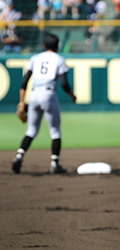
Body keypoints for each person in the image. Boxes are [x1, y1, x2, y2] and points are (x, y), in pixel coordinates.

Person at [11, 33, 77, 174]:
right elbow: (64, 84)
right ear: (57, 46)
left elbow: (24, 82)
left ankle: (19, 156)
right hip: (49, 95)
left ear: (44, 46)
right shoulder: (60, 59)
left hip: (34, 95)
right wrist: (72, 96)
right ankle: (55, 164)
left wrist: (22, 101)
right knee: (55, 131)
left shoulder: (35, 58)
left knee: (31, 130)